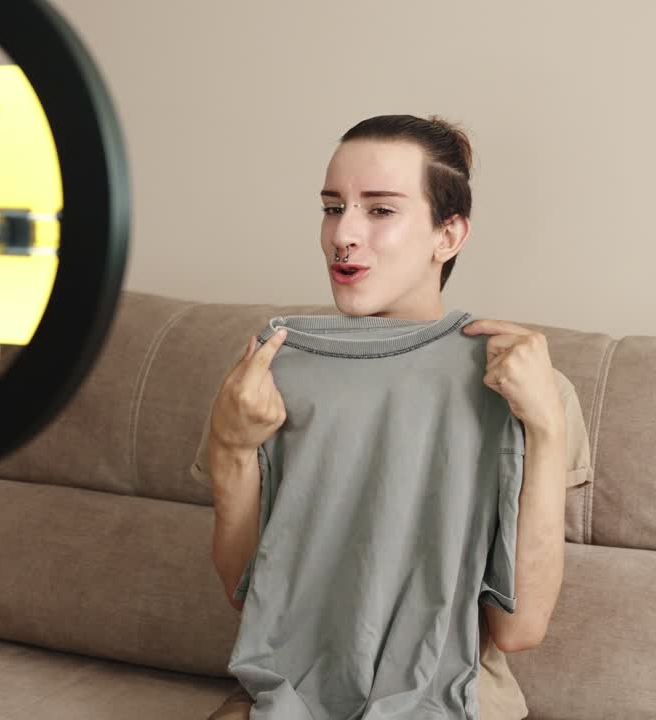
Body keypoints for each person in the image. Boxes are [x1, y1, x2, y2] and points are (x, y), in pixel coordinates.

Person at [195, 114, 592, 719]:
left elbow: (519, 629)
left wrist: (543, 427)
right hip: (291, 695)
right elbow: (249, 598)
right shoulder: (267, 373)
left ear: (448, 235)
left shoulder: (530, 387)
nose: (343, 235)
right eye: (333, 207)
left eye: (380, 210)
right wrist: (230, 450)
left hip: (455, 702)